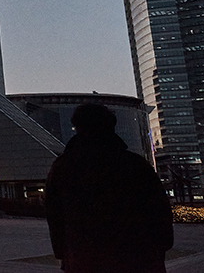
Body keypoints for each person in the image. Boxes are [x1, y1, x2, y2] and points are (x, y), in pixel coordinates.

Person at [45, 104, 174, 272]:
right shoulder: (135, 164)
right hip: (138, 257)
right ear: (111, 126)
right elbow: (159, 211)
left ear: (77, 128)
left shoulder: (63, 167)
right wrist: (160, 248)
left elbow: (55, 216)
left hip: (85, 259)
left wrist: (64, 254)